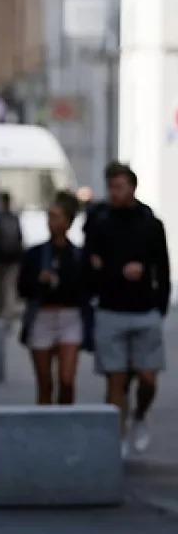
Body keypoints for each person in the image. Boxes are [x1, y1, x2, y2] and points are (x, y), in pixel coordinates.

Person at [83, 162, 170, 456]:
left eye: (119, 187)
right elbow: (90, 264)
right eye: (111, 187)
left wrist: (160, 303)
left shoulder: (150, 223)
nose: (114, 193)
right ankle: (116, 434)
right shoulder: (100, 221)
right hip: (111, 309)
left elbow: (163, 268)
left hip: (145, 309)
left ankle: (140, 416)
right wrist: (114, 273)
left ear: (132, 188)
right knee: (116, 378)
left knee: (147, 378)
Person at [18, 190, 91, 405]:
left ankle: (65, 418)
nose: (52, 222)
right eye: (49, 216)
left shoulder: (78, 255)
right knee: (44, 381)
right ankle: (45, 422)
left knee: (67, 379)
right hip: (42, 315)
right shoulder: (35, 254)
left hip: (69, 315)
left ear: (68, 222)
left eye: (57, 217)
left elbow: (86, 287)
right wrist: (39, 281)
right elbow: (22, 288)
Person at [0, 191, 24, 320]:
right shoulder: (15, 218)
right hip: (13, 256)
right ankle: (8, 309)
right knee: (10, 284)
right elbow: (20, 237)